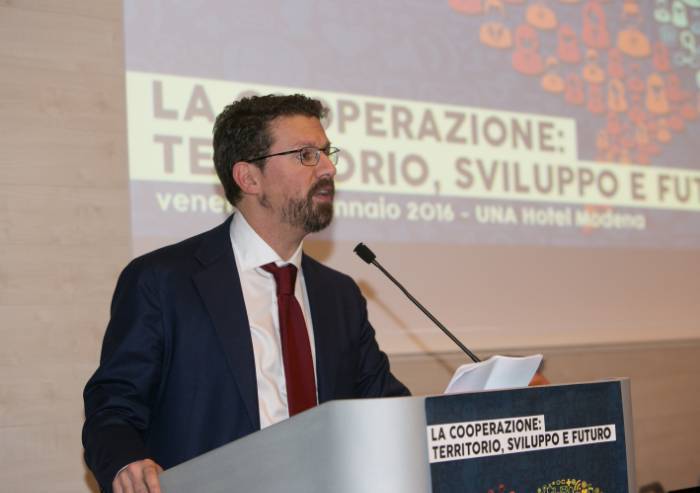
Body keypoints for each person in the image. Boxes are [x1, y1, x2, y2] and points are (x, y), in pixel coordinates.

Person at [82, 94, 410, 493]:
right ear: (249, 178)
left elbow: (386, 409)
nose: (328, 168)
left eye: (327, 153)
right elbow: (114, 407)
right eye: (306, 155)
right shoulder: (162, 281)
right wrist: (126, 461)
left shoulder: (339, 295)